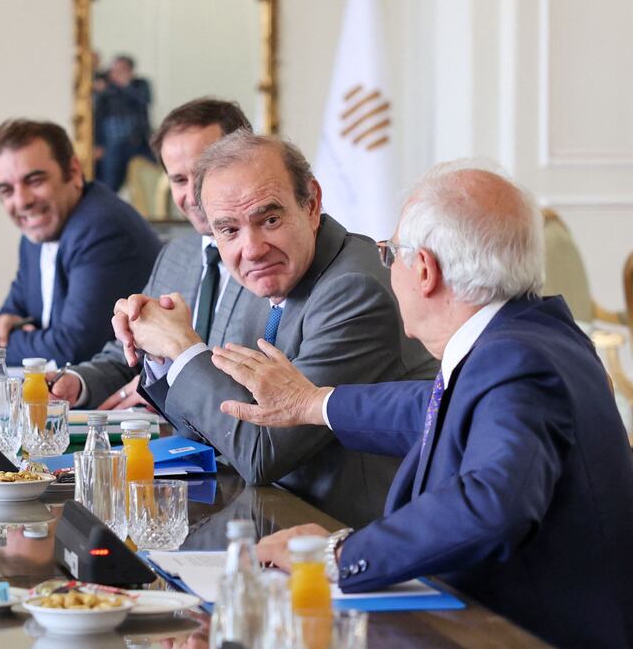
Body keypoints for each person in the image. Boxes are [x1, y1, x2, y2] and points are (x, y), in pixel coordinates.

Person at [216, 163, 633, 647]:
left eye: (390, 254)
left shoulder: (517, 360)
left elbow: (492, 505)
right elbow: (436, 407)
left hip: (517, 634)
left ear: (425, 270)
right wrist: (314, 403)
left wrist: (337, 552)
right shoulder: (532, 336)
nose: (387, 267)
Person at [112, 131, 437, 528]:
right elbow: (216, 432)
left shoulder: (354, 290)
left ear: (312, 204)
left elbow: (261, 451)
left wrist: (183, 348)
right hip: (276, 519)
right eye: (229, 230)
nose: (252, 249)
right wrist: (162, 352)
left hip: (353, 536)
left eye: (269, 219)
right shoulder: (268, 277)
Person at [52, 97, 254, 410]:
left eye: (205, 174)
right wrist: (76, 383)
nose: (192, 195)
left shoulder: (268, 260)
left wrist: (165, 385)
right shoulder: (177, 255)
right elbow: (128, 357)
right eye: (179, 180)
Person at [0, 119, 161, 366]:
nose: (22, 201)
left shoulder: (101, 228)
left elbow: (72, 349)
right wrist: (4, 331)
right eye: (6, 191)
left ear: (74, 172)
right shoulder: (36, 234)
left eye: (35, 181)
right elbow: (9, 316)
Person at [94, 54, 154, 192]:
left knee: (150, 177)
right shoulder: (106, 87)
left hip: (139, 142)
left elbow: (144, 101)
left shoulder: (140, 84)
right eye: (115, 70)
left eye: (122, 69)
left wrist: (125, 85)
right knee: (110, 183)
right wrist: (97, 143)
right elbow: (98, 115)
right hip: (113, 144)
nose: (117, 73)